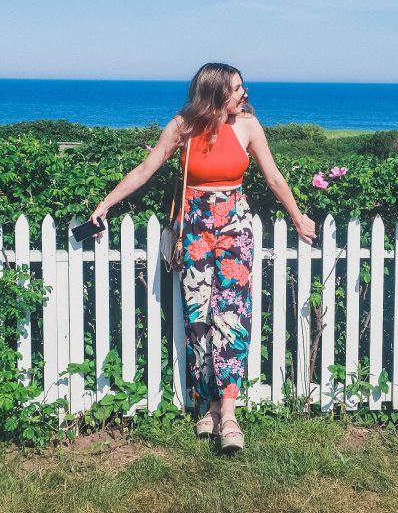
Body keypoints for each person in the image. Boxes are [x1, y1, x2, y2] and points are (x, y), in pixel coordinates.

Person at [88, 63, 317, 452]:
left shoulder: (247, 126)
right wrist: (106, 203)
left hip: (234, 228)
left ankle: (228, 413)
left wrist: (297, 216)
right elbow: (146, 168)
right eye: (235, 89)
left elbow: (274, 176)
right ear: (213, 93)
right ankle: (206, 406)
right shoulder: (183, 127)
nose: (243, 95)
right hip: (193, 228)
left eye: (243, 88)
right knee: (198, 316)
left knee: (232, 314)